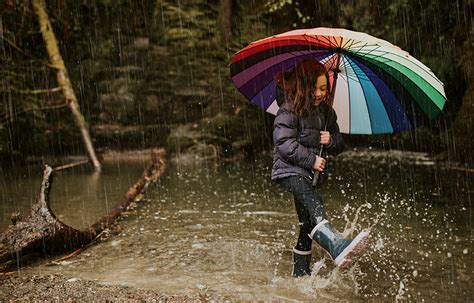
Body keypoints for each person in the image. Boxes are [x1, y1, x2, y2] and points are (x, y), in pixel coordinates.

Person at [272, 59, 370, 277]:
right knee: (314, 202)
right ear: (304, 86)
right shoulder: (288, 109)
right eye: (315, 88)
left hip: (308, 174)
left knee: (307, 224)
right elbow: (284, 143)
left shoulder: (326, 112)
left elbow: (340, 144)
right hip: (289, 171)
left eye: (324, 88)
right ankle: (335, 244)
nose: (319, 93)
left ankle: (300, 274)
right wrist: (312, 160)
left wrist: (331, 140)